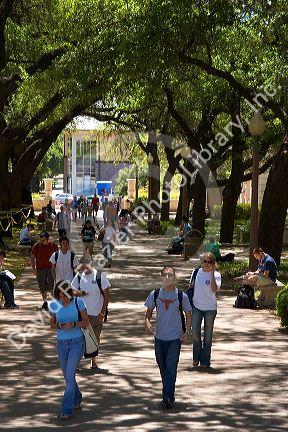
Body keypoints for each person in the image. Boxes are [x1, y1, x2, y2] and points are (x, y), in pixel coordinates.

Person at [144, 266, 192, 409]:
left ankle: (167, 398)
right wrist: (147, 323)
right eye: (164, 275)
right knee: (163, 367)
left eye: (170, 275)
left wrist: (188, 331)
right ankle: (168, 394)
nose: (167, 277)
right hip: (159, 337)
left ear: (174, 278)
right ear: (160, 277)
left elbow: (189, 314)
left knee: (171, 367)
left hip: (175, 339)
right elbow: (148, 312)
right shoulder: (155, 294)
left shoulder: (181, 296)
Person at [49, 280, 89, 420]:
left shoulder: (79, 302)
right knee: (68, 377)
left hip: (77, 343)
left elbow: (86, 322)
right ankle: (77, 398)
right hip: (61, 344)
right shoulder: (54, 305)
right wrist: (59, 325)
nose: (64, 298)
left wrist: (74, 324)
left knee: (70, 375)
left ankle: (66, 409)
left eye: (66, 295)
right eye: (61, 296)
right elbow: (51, 324)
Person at [72, 256, 110, 369]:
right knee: (79, 338)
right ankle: (76, 362)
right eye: (82, 264)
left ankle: (94, 361)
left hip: (96, 314)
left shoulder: (100, 276)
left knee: (94, 338)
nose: (84, 267)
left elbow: (107, 296)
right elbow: (71, 290)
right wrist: (79, 293)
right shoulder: (78, 277)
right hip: (81, 314)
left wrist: (102, 313)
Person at [189, 253, 221, 368]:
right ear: (202, 262)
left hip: (210, 309)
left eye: (209, 262)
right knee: (196, 335)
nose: (207, 264)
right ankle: (196, 357)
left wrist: (211, 274)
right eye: (205, 261)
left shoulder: (217, 275)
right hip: (197, 307)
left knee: (208, 336)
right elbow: (191, 287)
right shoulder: (196, 272)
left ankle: (205, 361)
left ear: (213, 263)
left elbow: (213, 289)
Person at [31, 232, 58, 310]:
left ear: (47, 239)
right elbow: (32, 258)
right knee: (42, 286)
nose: (41, 241)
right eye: (40, 239)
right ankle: (45, 302)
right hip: (40, 269)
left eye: (43, 240)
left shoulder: (53, 246)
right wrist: (33, 269)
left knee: (52, 285)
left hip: (51, 269)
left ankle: (53, 302)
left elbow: (58, 257)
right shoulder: (36, 246)